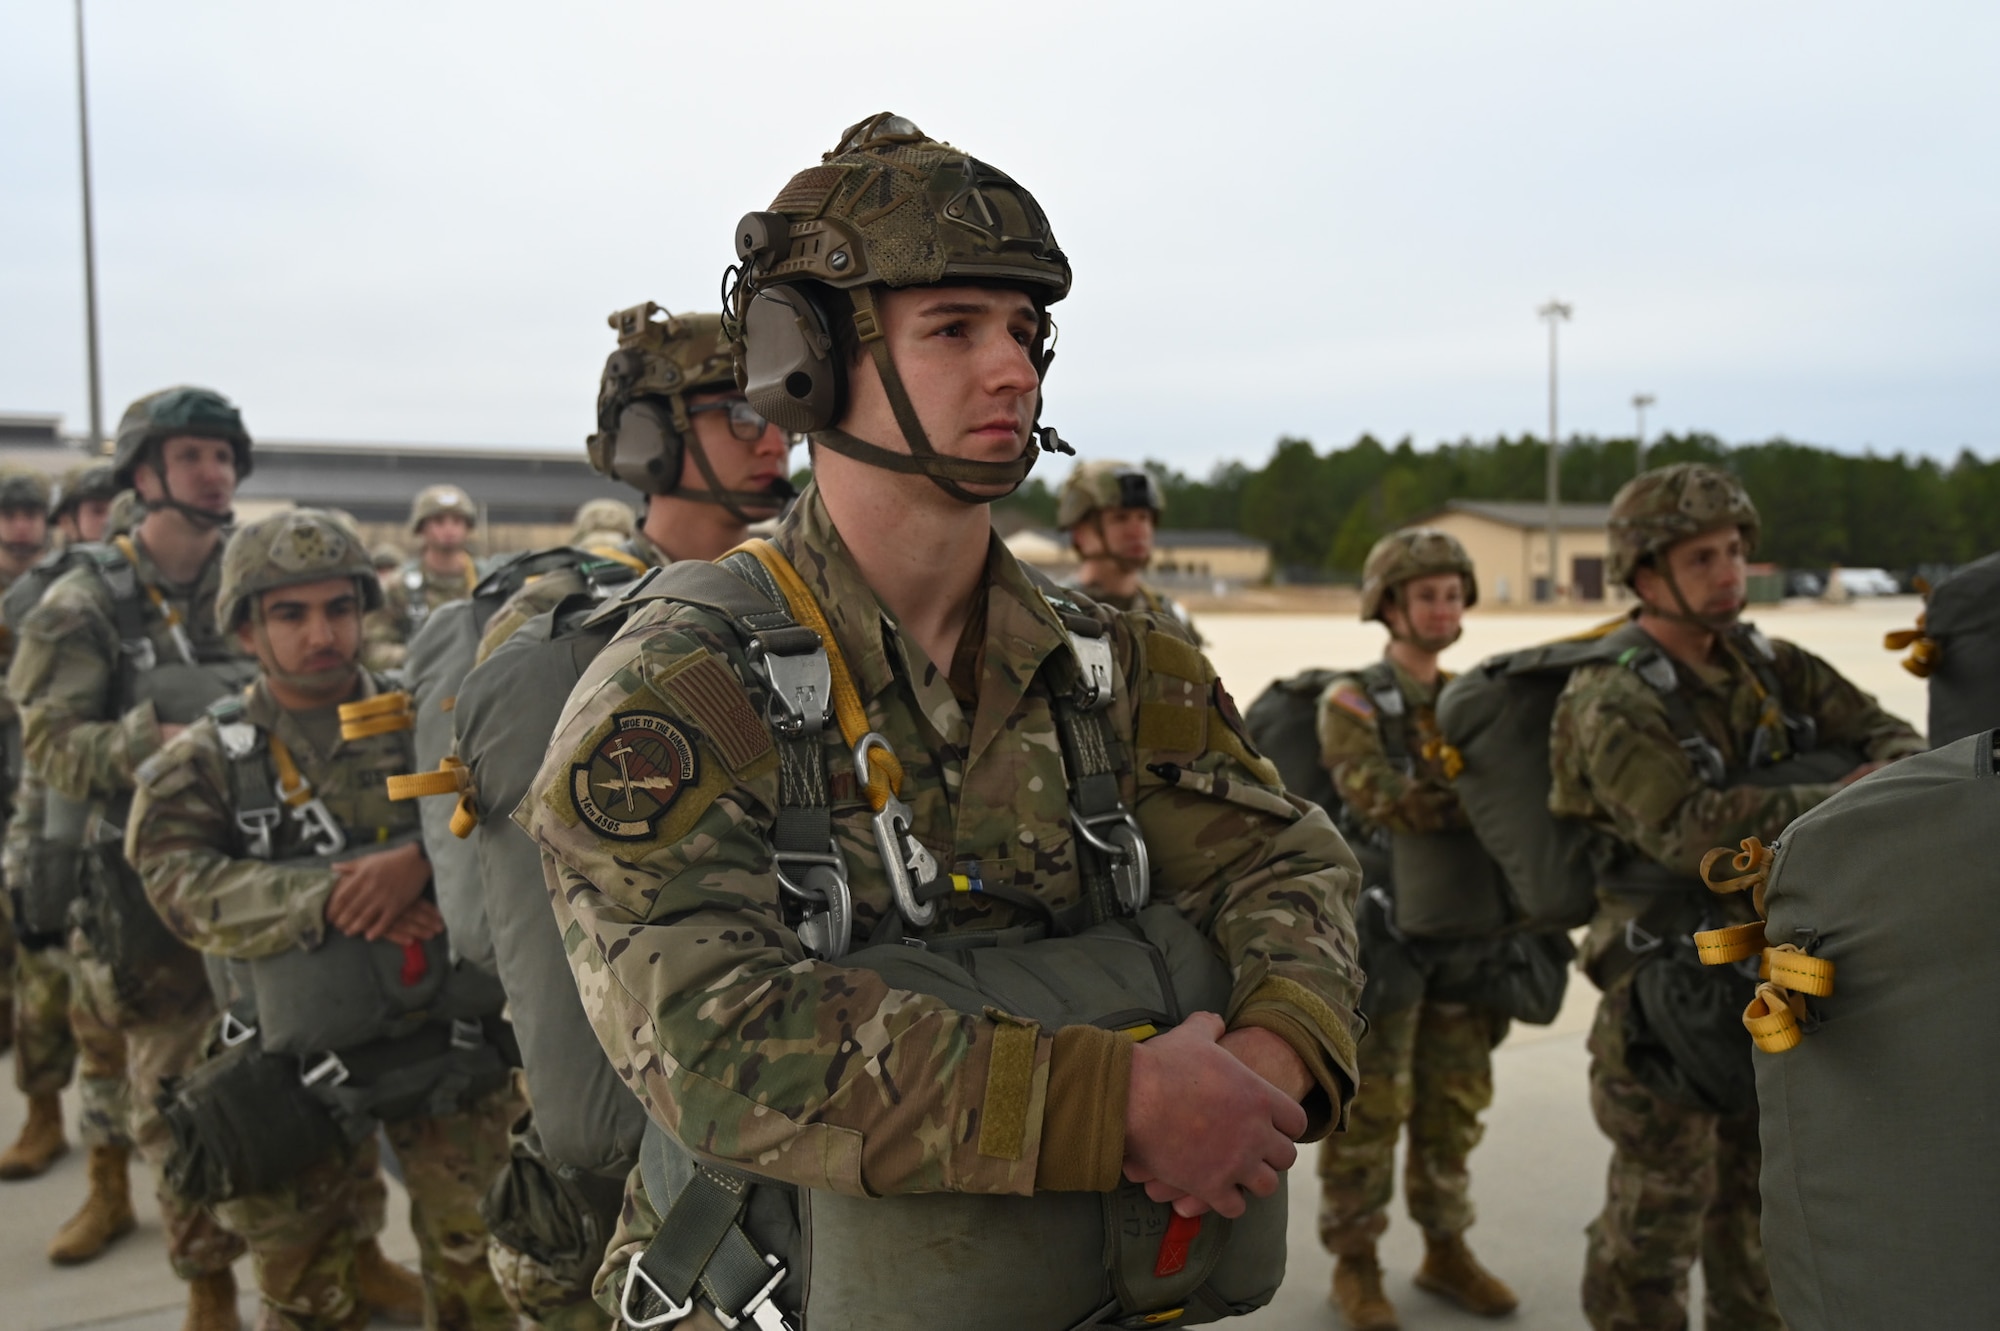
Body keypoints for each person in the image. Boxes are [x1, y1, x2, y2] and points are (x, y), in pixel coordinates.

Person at [522, 113, 1363, 1330]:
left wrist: (1266, 1066)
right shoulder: (684, 683)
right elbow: (702, 1030)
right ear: (803, 364)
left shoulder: (1116, 662)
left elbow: (1289, 864)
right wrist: (1116, 1101)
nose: (1013, 369)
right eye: (954, 329)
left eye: (1024, 330)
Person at [447, 302, 791, 1331]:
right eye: (736, 411)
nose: (772, 433)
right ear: (647, 440)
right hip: (624, 1121)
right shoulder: (569, 621)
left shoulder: (800, 608)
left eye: (776, 406)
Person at [1549, 462, 1924, 1331]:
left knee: (1762, 1223)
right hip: (1664, 995)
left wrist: (1862, 777)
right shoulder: (1609, 693)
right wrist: (1842, 792)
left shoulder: (1771, 664)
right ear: (1646, 574)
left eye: (1733, 553)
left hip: (1772, 978)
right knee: (1653, 1228)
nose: (1729, 573)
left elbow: (1893, 739)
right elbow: (1687, 829)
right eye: (1703, 556)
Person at [127, 507, 518, 1331]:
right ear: (245, 628)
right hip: (289, 1064)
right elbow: (170, 875)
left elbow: (512, 830)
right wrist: (322, 897)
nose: (322, 633)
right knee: (303, 1295)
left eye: (339, 608)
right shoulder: (204, 756)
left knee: (482, 1271)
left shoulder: (434, 725)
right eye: (290, 613)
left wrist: (421, 856)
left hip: (445, 1050)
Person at [1314, 530, 1518, 1330]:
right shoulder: (1352, 701)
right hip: (1388, 932)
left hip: (1466, 932)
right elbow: (1379, 796)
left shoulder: (1474, 700)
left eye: (1454, 594)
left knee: (1454, 1101)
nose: (1445, 608)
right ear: (1389, 605)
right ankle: (1356, 1263)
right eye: (1428, 594)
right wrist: (1487, 809)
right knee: (1373, 1105)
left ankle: (1445, 1246)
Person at [0, 464, 118, 1190]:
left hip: (112, 806)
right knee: (42, 973)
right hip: (42, 797)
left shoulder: (145, 595)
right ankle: (42, 1112)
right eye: (91, 508)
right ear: (69, 519)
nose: (103, 518)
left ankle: (113, 1152)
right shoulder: (44, 595)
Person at [0, 467, 52, 1061]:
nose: (21, 526)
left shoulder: (62, 583)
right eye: (11, 515)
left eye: (30, 514)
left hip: (38, 773)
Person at [1056, 458, 1199, 637]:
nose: (1138, 531)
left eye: (1144, 517)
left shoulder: (1168, 618)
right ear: (1080, 533)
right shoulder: (1055, 613)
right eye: (1120, 518)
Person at [365, 484, 481, 669]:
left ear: (468, 527)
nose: (449, 529)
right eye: (439, 521)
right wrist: (416, 657)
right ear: (421, 528)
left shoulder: (489, 581)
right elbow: (371, 646)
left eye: (457, 521)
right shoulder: (398, 586)